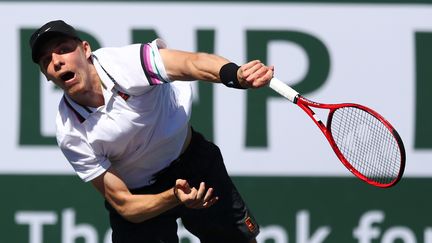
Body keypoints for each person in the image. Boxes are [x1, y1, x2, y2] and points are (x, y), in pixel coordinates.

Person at [29, 20, 274, 243]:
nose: (57, 61)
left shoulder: (125, 63)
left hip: (192, 162)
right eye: (46, 61)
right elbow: (125, 205)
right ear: (47, 76)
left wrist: (235, 75)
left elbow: (192, 63)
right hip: (141, 195)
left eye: (63, 49)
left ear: (85, 49)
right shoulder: (70, 133)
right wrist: (175, 196)